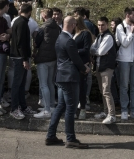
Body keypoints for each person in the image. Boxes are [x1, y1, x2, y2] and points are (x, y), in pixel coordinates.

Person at [46, 16, 90, 149]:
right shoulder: (69, 40)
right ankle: (70, 139)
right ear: (71, 25)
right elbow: (75, 59)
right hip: (69, 78)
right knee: (71, 108)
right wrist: (85, 68)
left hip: (61, 76)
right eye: (75, 24)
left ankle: (50, 135)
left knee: (61, 106)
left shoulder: (60, 38)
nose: (76, 26)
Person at [115, 7, 134, 121]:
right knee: (124, 86)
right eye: (133, 15)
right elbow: (125, 43)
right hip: (123, 60)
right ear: (127, 15)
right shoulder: (120, 27)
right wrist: (131, 32)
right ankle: (124, 110)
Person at [9, 3, 36, 119]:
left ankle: (22, 106)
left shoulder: (18, 21)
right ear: (30, 11)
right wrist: (25, 59)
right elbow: (21, 43)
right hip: (20, 57)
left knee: (21, 84)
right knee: (17, 83)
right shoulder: (22, 23)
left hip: (19, 56)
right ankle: (14, 108)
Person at [33, 8, 61, 119]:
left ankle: (46, 110)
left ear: (44, 15)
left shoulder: (43, 27)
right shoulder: (58, 28)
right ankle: (51, 106)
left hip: (43, 59)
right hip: (53, 58)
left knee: (43, 84)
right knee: (50, 83)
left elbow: (37, 43)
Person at [90, 17, 117, 124]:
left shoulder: (108, 37)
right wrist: (97, 51)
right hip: (99, 66)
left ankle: (112, 115)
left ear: (107, 25)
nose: (100, 27)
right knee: (102, 91)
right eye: (99, 25)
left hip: (107, 67)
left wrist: (97, 51)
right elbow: (93, 49)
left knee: (106, 91)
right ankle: (106, 112)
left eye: (103, 25)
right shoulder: (100, 36)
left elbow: (100, 51)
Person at [73, 16, 94, 120]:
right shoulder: (73, 34)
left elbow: (86, 49)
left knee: (82, 87)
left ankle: (83, 109)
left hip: (82, 63)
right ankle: (74, 109)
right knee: (74, 87)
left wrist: (75, 52)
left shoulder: (85, 33)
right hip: (74, 64)